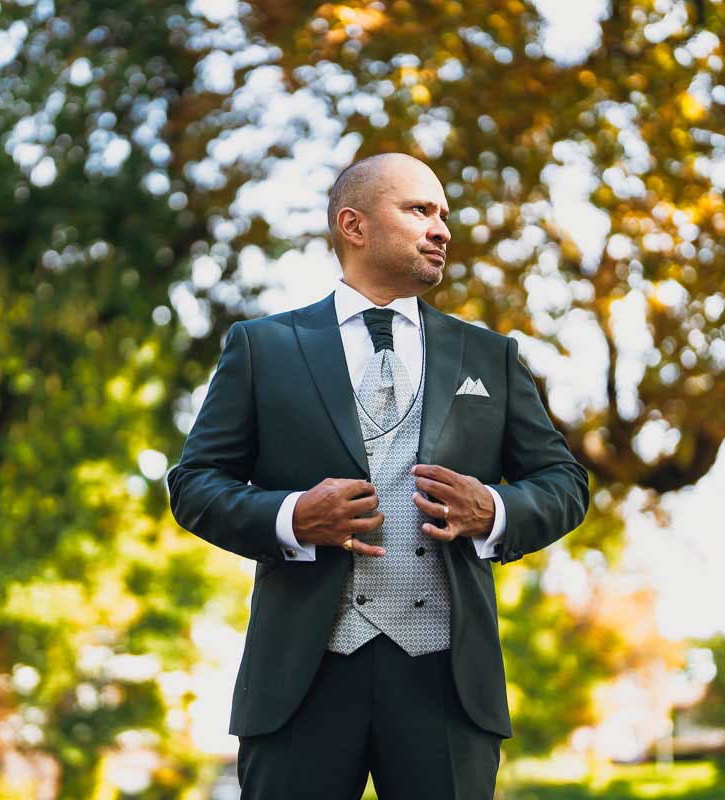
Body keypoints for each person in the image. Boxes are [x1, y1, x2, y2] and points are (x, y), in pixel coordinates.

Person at [166, 153, 589, 799]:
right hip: (300, 681)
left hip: (447, 684)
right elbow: (195, 484)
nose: (442, 229)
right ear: (353, 225)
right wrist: (292, 517)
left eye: (443, 215)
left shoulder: (489, 355)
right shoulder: (262, 347)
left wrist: (494, 510)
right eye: (420, 210)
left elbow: (565, 482)